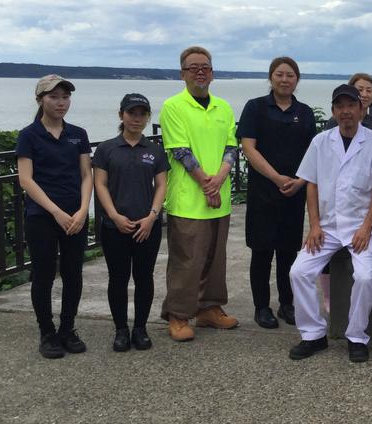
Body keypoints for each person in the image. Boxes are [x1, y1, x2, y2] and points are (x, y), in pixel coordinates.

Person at [287, 84, 372, 362]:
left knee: (365, 277)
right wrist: (315, 225)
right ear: (333, 111)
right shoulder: (321, 141)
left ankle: (356, 337)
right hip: (328, 226)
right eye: (340, 106)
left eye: (351, 105)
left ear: (361, 109)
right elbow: (312, 183)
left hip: (360, 226)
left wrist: (367, 227)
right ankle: (313, 334)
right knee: (299, 272)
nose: (346, 112)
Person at [160, 46, 239, 341]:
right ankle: (179, 315)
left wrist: (218, 181)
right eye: (193, 67)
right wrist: (207, 184)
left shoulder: (223, 107)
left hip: (219, 199)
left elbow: (231, 147)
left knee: (215, 259)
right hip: (188, 200)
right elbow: (180, 151)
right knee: (186, 261)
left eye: (205, 66)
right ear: (182, 74)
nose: (200, 72)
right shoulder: (173, 106)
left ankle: (209, 308)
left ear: (213, 73)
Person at [15, 75, 92, 358]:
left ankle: (67, 329)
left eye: (65, 97)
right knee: (44, 274)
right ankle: (47, 332)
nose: (61, 102)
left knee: (73, 272)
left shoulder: (78, 134)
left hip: (75, 215)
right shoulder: (29, 135)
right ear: (40, 100)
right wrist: (57, 212)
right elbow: (27, 180)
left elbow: (87, 174)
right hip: (42, 216)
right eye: (54, 97)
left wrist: (83, 209)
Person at [238, 56, 317, 329]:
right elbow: (249, 148)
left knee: (289, 252)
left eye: (290, 75)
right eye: (279, 74)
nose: (285, 80)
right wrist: (275, 177)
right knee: (261, 252)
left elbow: (313, 152)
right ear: (271, 78)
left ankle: (287, 303)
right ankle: (261, 306)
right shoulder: (256, 107)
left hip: (294, 192)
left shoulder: (305, 112)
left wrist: (299, 181)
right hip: (263, 191)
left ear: (297, 79)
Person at [93, 93, 167, 352]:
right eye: (131, 113)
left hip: (147, 225)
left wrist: (152, 216)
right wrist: (112, 215)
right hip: (115, 226)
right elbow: (99, 184)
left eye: (142, 114)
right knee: (118, 278)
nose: (136, 119)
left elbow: (161, 186)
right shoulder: (106, 149)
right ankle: (121, 330)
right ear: (121, 115)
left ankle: (140, 328)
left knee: (144, 277)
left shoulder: (154, 150)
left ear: (147, 117)